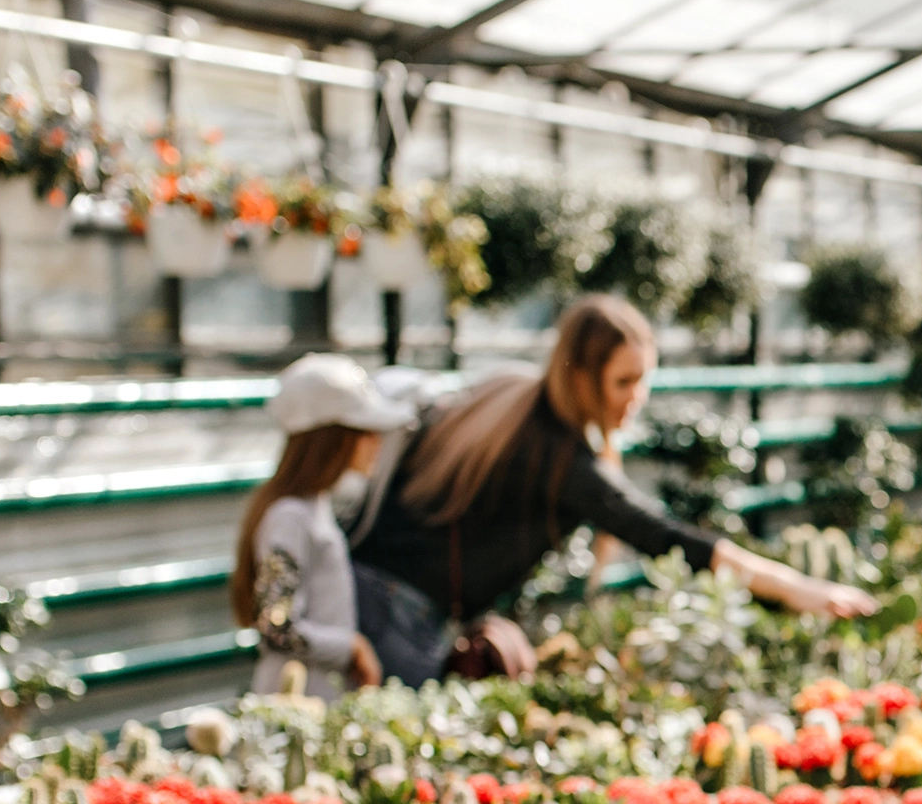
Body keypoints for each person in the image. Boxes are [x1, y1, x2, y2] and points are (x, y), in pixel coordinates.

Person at [352, 293, 878, 686]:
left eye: (643, 379)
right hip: (397, 613)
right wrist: (794, 588)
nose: (638, 397)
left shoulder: (512, 402)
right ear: (582, 378)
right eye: (623, 382)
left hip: (369, 589)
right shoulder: (560, 461)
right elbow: (661, 535)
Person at [232, 353, 414, 701]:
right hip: (295, 710)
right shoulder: (290, 515)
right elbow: (276, 624)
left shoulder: (313, 510)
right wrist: (351, 647)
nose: (377, 443)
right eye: (365, 431)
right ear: (334, 439)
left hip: (318, 702)